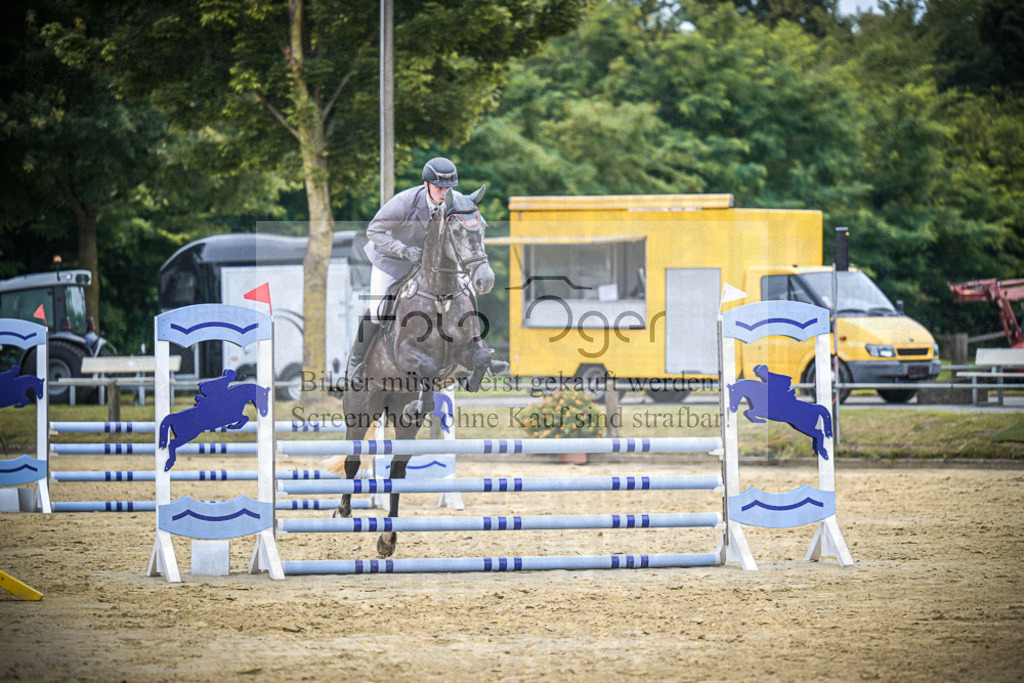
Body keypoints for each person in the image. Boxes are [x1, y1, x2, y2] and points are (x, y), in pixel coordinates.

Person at [346, 157, 459, 383]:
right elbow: (374, 231)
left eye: (449, 188)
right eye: (439, 188)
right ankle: (355, 362)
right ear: (426, 185)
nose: (444, 193)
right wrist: (404, 250)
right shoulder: (404, 202)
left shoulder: (452, 204)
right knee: (379, 311)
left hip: (426, 267)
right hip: (391, 261)